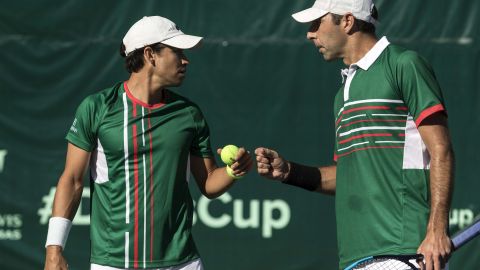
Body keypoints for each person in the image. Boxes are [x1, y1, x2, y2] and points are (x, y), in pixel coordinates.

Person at [255, 1, 454, 269]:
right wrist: (289, 171)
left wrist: (436, 231)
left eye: (317, 24)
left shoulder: (404, 65)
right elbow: (347, 175)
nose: (309, 34)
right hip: (355, 258)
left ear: (347, 21)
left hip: (405, 249)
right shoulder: (342, 94)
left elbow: (441, 150)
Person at [44, 16, 253, 270]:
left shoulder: (189, 114)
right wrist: (54, 250)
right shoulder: (96, 108)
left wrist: (234, 171)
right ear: (150, 54)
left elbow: (208, 183)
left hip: (182, 262)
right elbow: (72, 180)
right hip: (113, 262)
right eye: (177, 52)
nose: (185, 60)